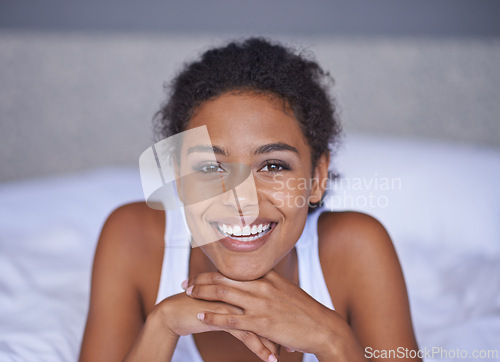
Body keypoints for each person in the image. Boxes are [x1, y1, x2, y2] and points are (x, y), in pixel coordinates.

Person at [80, 37, 421, 362]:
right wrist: (162, 324)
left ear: (317, 177)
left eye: (273, 166)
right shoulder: (131, 238)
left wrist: (332, 339)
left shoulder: (356, 248)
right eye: (211, 167)